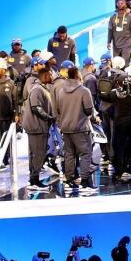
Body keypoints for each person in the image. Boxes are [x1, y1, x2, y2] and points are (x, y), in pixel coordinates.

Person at [55, 61, 98, 195]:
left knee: (69, 155)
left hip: (66, 128)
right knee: (85, 154)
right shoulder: (84, 91)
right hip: (80, 128)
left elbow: (58, 110)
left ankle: (69, 181)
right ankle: (84, 183)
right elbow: (89, 110)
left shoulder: (61, 91)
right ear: (77, 75)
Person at [22, 63, 56, 190]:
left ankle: (33, 180)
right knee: (38, 153)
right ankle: (34, 181)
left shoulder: (42, 88)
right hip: (37, 127)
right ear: (46, 75)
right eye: (50, 74)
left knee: (36, 153)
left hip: (39, 126)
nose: (52, 76)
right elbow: (36, 108)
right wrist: (49, 118)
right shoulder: (37, 89)